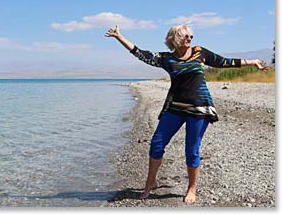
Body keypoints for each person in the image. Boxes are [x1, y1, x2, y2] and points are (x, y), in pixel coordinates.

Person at [105, 24, 269, 204]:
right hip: (175, 108)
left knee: (191, 150)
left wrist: (252, 62)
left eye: (191, 35)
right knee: (156, 144)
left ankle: (192, 188)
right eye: (185, 36)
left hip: (199, 109)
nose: (189, 38)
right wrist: (119, 37)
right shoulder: (167, 59)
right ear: (174, 39)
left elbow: (224, 62)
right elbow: (141, 54)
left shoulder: (200, 52)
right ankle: (150, 183)